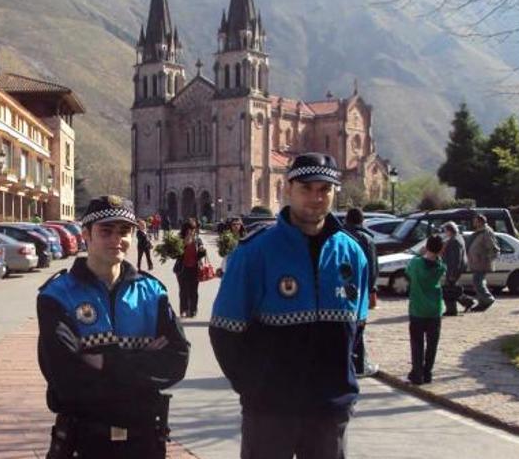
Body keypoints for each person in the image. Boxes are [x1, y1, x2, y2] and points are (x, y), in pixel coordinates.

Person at [210, 153, 369, 459]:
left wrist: (344, 390)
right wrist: (253, 388)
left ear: (335, 192)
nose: (315, 197)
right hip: (270, 412)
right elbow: (224, 331)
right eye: (306, 188)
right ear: (288, 189)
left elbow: (357, 331)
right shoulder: (255, 252)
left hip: (329, 411)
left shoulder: (352, 254)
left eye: (324, 189)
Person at [37, 195, 189, 459]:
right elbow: (65, 378)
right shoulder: (57, 295)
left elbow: (176, 362)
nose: (116, 239)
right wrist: (143, 363)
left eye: (124, 231)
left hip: (144, 440)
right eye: (106, 231)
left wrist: (103, 363)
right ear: (86, 234)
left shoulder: (152, 293)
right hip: (82, 441)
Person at [343, 208, 380, 378]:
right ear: (362, 220)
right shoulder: (366, 239)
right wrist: (372, 289)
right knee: (359, 324)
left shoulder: (340, 237)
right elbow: (371, 268)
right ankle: (358, 365)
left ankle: (348, 361)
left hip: (341, 287)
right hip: (360, 288)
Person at [406, 234, 447, 385]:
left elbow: (408, 271)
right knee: (432, 344)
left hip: (417, 309)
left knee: (417, 343)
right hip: (435, 309)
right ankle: (427, 372)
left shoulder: (416, 263)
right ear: (441, 249)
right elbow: (440, 262)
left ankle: (417, 373)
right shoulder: (441, 266)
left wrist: (422, 252)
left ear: (427, 246)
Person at [440, 222, 477, 316]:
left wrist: (452, 272)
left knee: (449, 289)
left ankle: (452, 310)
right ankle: (467, 302)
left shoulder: (455, 240)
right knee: (452, 288)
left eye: (445, 230)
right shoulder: (458, 237)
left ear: (449, 230)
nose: (445, 233)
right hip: (456, 267)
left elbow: (455, 258)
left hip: (454, 268)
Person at [467, 214, 500, 312]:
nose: (474, 222)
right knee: (477, 282)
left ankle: (488, 299)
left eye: (475, 221)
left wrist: (486, 259)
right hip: (476, 262)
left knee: (478, 282)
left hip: (482, 262)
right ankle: (482, 303)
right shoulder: (479, 232)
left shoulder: (486, 232)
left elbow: (493, 248)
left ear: (480, 222)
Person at [175, 218, 205, 318]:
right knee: (183, 290)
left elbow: (202, 255)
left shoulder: (198, 240)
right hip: (182, 268)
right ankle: (183, 310)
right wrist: (184, 243)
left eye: (193, 229)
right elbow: (176, 254)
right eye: (189, 229)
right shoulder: (180, 238)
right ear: (185, 229)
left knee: (194, 291)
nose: (191, 231)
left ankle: (193, 310)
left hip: (194, 268)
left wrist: (201, 250)